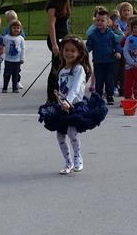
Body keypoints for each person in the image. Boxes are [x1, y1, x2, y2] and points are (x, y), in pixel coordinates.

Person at [37, 36, 107, 174]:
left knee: (71, 132)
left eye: (73, 51)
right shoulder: (62, 70)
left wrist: (67, 102)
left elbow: (75, 88)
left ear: (79, 53)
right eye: (66, 50)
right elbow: (62, 88)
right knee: (60, 135)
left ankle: (77, 157)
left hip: (75, 106)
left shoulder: (79, 69)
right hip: (63, 105)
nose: (69, 53)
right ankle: (67, 162)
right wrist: (60, 100)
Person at [46, 0, 74, 102]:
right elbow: (51, 25)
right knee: (56, 67)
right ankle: (51, 96)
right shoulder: (53, 5)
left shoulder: (65, 3)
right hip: (55, 38)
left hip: (64, 37)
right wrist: (54, 44)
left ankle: (61, 93)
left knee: (63, 67)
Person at [86, 8, 121, 105]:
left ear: (108, 22)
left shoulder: (111, 34)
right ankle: (98, 96)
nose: (100, 22)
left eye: (102, 20)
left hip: (110, 61)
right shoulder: (93, 35)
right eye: (98, 20)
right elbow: (89, 46)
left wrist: (118, 52)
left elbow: (116, 44)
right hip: (98, 62)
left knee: (109, 80)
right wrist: (84, 51)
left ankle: (109, 96)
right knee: (99, 80)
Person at [3, 19, 26, 93]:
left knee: (15, 74)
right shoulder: (6, 37)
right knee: (7, 74)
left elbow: (23, 49)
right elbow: (3, 47)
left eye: (18, 28)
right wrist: (2, 56)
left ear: (20, 29)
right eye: (14, 28)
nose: (16, 29)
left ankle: (14, 87)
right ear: (10, 29)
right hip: (8, 60)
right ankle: (5, 87)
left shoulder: (21, 38)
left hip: (17, 60)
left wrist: (22, 58)